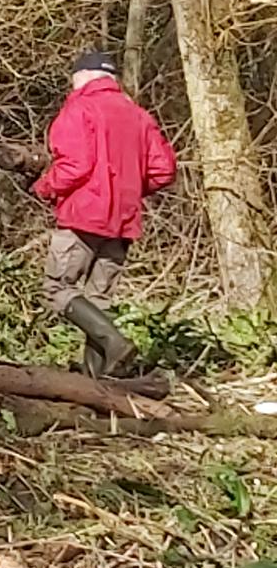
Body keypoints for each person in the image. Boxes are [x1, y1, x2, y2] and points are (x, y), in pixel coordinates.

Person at [33, 49, 177, 376]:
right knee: (98, 299)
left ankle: (114, 343)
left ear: (81, 78)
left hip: (83, 216)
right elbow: (164, 170)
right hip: (123, 221)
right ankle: (94, 379)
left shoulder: (79, 108)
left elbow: (75, 165)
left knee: (57, 288)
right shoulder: (138, 114)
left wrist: (45, 187)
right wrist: (130, 189)